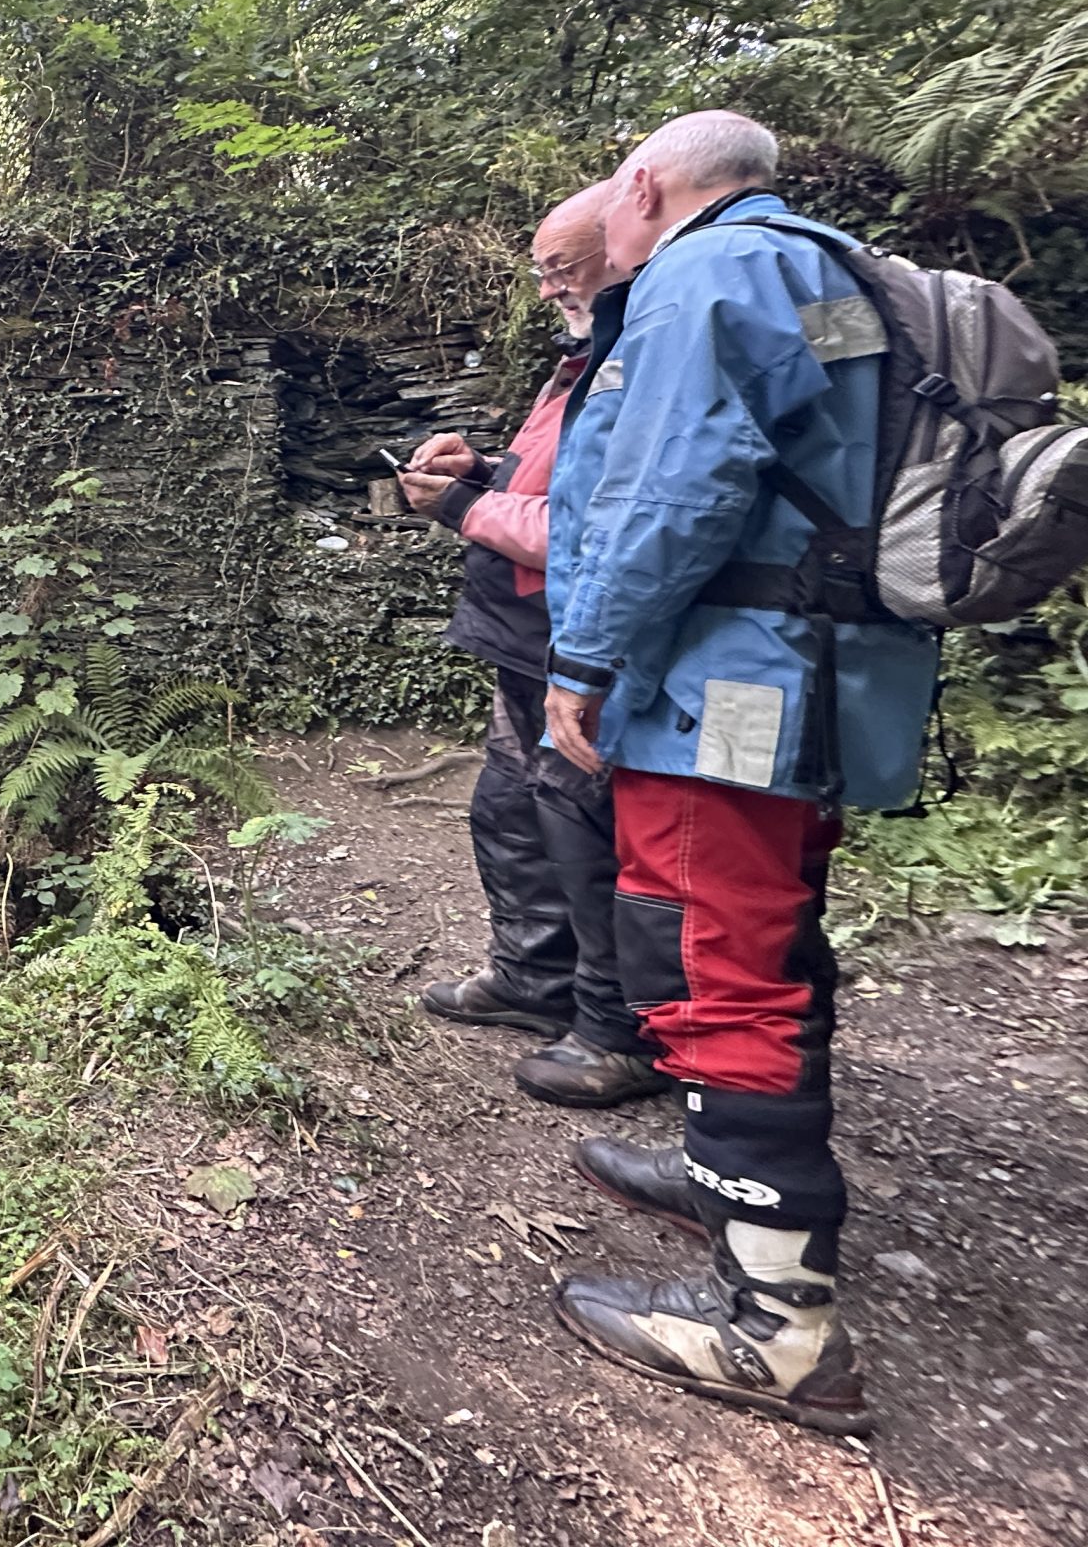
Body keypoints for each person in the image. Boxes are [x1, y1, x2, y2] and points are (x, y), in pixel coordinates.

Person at [538, 110, 937, 1436]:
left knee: (709, 952)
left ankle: (777, 1328)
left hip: (725, 691)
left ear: (645, 185)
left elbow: (677, 486)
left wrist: (584, 660)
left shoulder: (707, 273)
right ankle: (732, 1179)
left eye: (612, 206)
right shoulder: (826, 267)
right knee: (761, 936)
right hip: (811, 674)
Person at [401, 186, 669, 1109]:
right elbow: (553, 483)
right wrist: (482, 469)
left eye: (563, 267)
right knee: (510, 810)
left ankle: (617, 1027)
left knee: (585, 829)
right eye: (541, 271)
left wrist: (463, 506)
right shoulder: (586, 355)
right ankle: (532, 978)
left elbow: (596, 528)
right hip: (522, 632)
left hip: (580, 639)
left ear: (625, 244)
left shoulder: (644, 351)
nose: (549, 287)